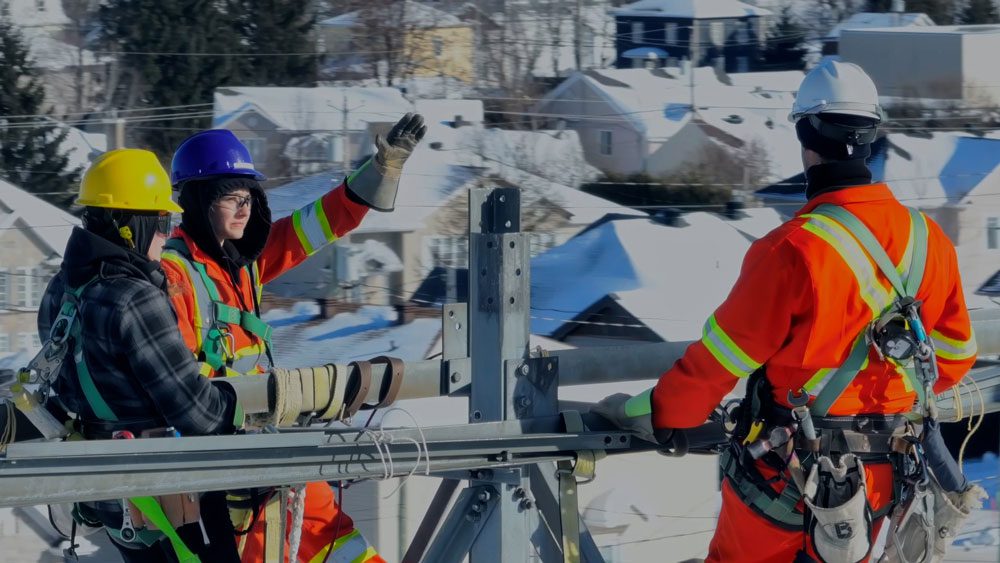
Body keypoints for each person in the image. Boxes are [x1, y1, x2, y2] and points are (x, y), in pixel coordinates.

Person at [593, 60, 981, 562]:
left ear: (804, 131)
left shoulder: (791, 250)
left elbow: (718, 362)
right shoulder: (930, 242)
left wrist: (660, 411)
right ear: (871, 137)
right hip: (884, 476)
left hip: (790, 476)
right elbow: (952, 359)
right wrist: (880, 390)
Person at [161, 114, 426, 562]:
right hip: (225, 466)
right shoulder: (176, 275)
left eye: (248, 198)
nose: (245, 210)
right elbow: (180, 383)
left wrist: (377, 173)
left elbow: (316, 224)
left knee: (339, 541)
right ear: (199, 200)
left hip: (266, 444)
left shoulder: (242, 264)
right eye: (231, 199)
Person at [38, 149, 245, 563]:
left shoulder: (59, 292)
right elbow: (200, 414)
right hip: (169, 499)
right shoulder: (135, 300)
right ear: (132, 225)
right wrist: (247, 412)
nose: (166, 235)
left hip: (111, 501)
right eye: (161, 222)